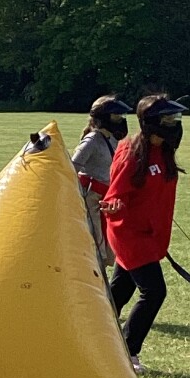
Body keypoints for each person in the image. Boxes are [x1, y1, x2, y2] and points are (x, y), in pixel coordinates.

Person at [101, 95, 186, 374]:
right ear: (152, 123)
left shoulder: (163, 152)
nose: (174, 124)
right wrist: (115, 205)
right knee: (154, 291)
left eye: (175, 119)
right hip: (129, 233)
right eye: (168, 119)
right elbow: (115, 195)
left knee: (120, 290)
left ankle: (90, 332)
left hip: (150, 235)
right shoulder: (131, 152)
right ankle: (128, 351)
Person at [71, 95, 132, 268]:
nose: (120, 120)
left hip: (107, 199)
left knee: (108, 246)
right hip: (92, 198)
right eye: (116, 116)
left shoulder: (113, 139)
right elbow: (72, 167)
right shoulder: (92, 140)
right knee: (96, 245)